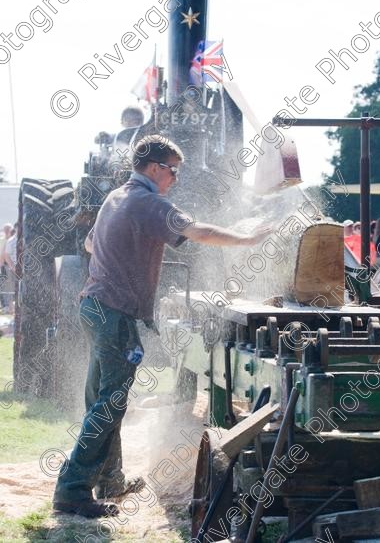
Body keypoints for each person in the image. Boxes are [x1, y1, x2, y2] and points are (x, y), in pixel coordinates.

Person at [53, 136, 271, 518]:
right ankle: (71, 490)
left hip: (95, 306)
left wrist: (123, 249)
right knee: (110, 402)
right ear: (154, 168)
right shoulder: (147, 202)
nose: (175, 179)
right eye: (173, 171)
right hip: (114, 312)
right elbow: (199, 231)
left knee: (103, 398)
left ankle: (111, 479)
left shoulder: (116, 198)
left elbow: (90, 244)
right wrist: (248, 239)